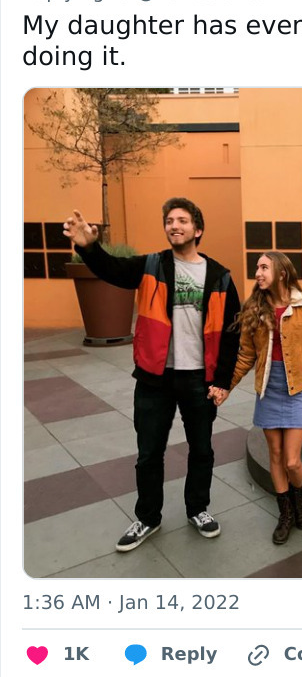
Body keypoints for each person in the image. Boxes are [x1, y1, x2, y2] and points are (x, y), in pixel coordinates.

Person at [63, 198, 241, 552]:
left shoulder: (220, 276)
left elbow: (232, 332)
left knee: (201, 449)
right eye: (169, 220)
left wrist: (222, 381)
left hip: (199, 380)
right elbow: (111, 269)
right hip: (154, 378)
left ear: (197, 229)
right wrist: (89, 247)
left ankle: (198, 509)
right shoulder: (151, 265)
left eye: (182, 220)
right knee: (148, 453)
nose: (174, 225)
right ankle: (148, 517)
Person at [214, 252, 302, 544]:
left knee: (292, 462)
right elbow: (246, 356)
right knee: (275, 456)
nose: (258, 273)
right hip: (268, 390)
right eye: (257, 268)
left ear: (282, 272)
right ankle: (286, 512)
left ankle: (300, 500)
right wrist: (226, 387)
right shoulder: (255, 309)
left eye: (264, 267)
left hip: (295, 390)